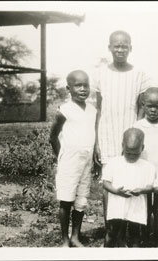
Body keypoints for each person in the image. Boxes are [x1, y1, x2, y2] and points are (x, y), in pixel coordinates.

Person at [92, 30, 150, 224]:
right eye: (116, 45)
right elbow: (99, 110)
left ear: (130, 48)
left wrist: (136, 134)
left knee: (134, 179)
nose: (120, 49)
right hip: (107, 134)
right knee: (110, 181)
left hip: (131, 136)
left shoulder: (139, 74)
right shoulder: (100, 74)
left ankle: (133, 227)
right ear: (109, 47)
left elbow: (142, 107)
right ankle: (111, 228)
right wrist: (97, 142)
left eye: (124, 45)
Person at [49, 70, 97, 247]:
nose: (83, 89)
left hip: (87, 159)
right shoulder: (64, 110)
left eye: (86, 85)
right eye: (78, 85)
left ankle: (76, 236)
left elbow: (93, 133)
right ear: (69, 88)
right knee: (67, 199)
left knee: (81, 199)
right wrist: (62, 157)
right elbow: (53, 137)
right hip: (69, 159)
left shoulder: (92, 110)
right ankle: (65, 239)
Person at [133, 87, 158, 246]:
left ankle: (157, 234)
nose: (152, 110)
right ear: (143, 105)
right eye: (149, 106)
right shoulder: (138, 125)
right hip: (144, 171)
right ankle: (142, 234)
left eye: (157, 106)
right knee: (143, 204)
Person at [102, 128, 155, 247]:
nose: (131, 156)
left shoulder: (148, 166)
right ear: (122, 146)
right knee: (111, 231)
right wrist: (116, 191)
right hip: (117, 205)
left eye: (135, 154)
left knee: (135, 234)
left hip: (136, 207)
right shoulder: (114, 162)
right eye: (128, 153)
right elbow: (105, 183)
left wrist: (141, 190)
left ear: (142, 148)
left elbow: (151, 187)